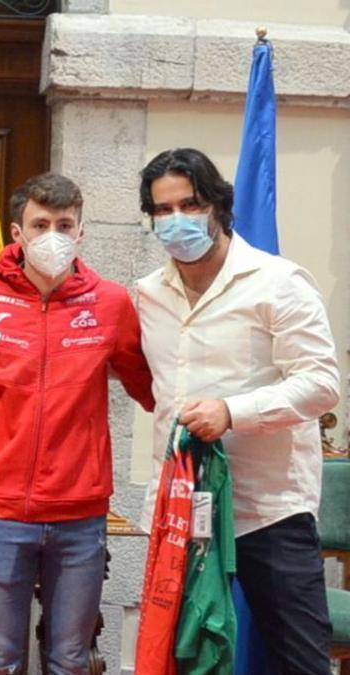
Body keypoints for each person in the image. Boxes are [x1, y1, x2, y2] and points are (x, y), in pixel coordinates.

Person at [0, 172, 155, 673]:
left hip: (80, 512)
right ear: (18, 233)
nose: (51, 234)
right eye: (40, 224)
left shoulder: (113, 303)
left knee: (71, 659)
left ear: (81, 233)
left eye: (64, 224)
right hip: (1, 511)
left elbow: (151, 387)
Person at [135, 148, 339, 672]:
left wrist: (233, 410)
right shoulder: (147, 295)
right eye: (162, 210)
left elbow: (320, 384)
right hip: (184, 509)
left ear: (219, 206)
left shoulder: (279, 282)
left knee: (301, 659)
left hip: (268, 510)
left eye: (191, 203)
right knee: (180, 655)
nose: (176, 219)